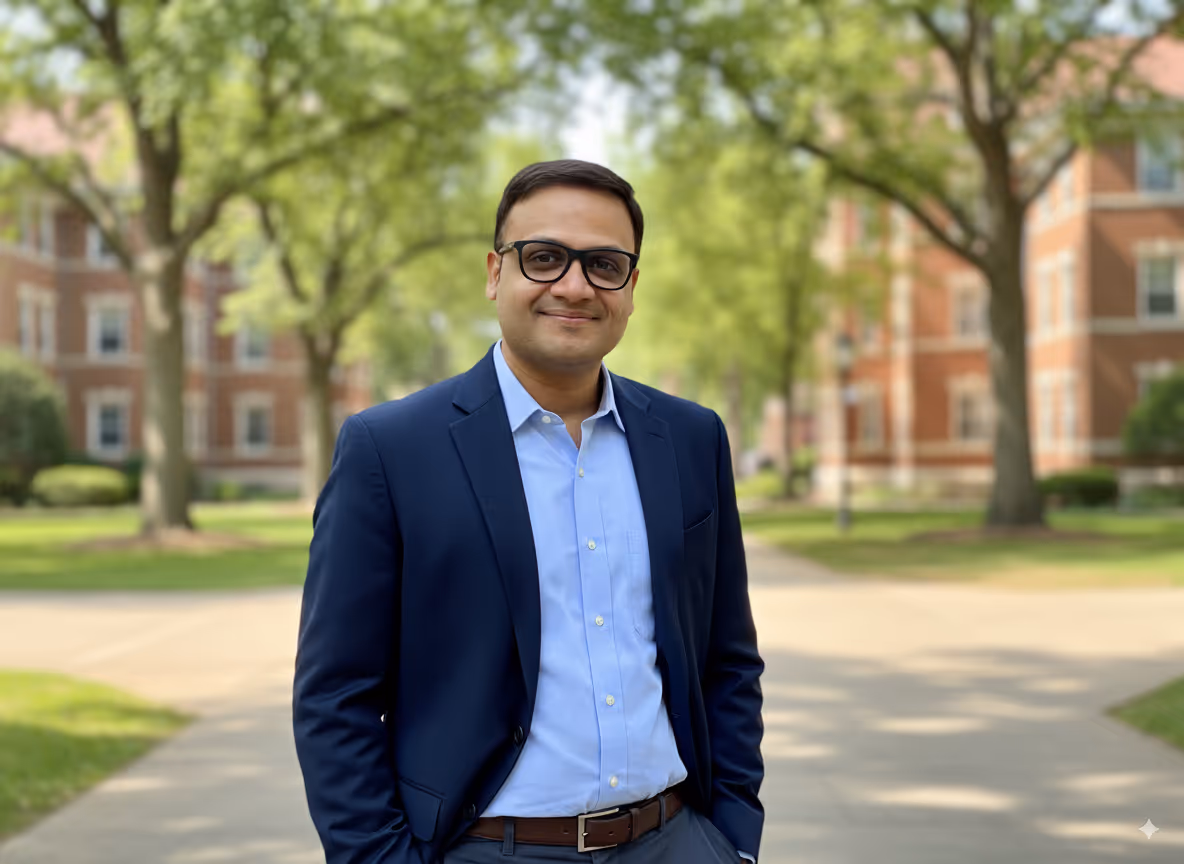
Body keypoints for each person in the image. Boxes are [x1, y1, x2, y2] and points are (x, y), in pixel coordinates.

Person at [293, 159, 764, 864]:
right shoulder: (389, 449)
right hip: (485, 847)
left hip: (680, 842)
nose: (574, 286)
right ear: (495, 273)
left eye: (604, 264)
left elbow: (726, 660)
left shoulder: (692, 439)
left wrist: (734, 838)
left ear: (631, 288)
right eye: (543, 258)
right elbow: (336, 694)